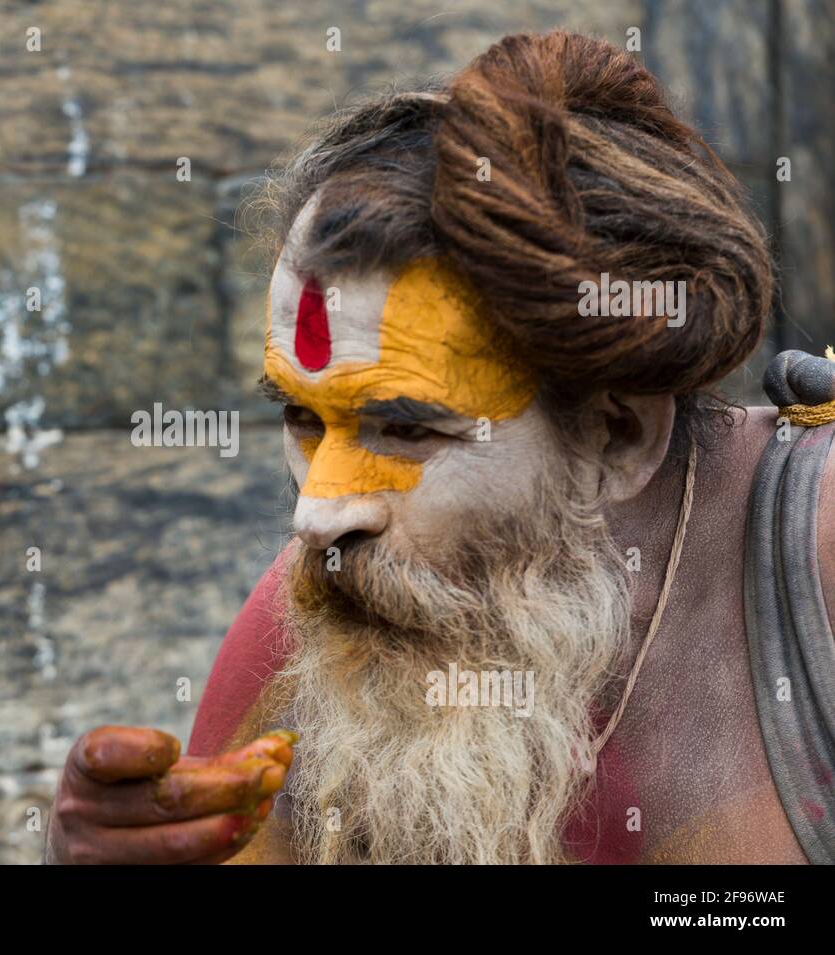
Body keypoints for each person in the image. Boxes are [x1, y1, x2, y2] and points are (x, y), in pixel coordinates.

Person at [45, 30, 835, 864]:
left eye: (408, 428)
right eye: (304, 420)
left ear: (615, 432)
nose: (317, 512)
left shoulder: (817, 556)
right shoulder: (321, 614)